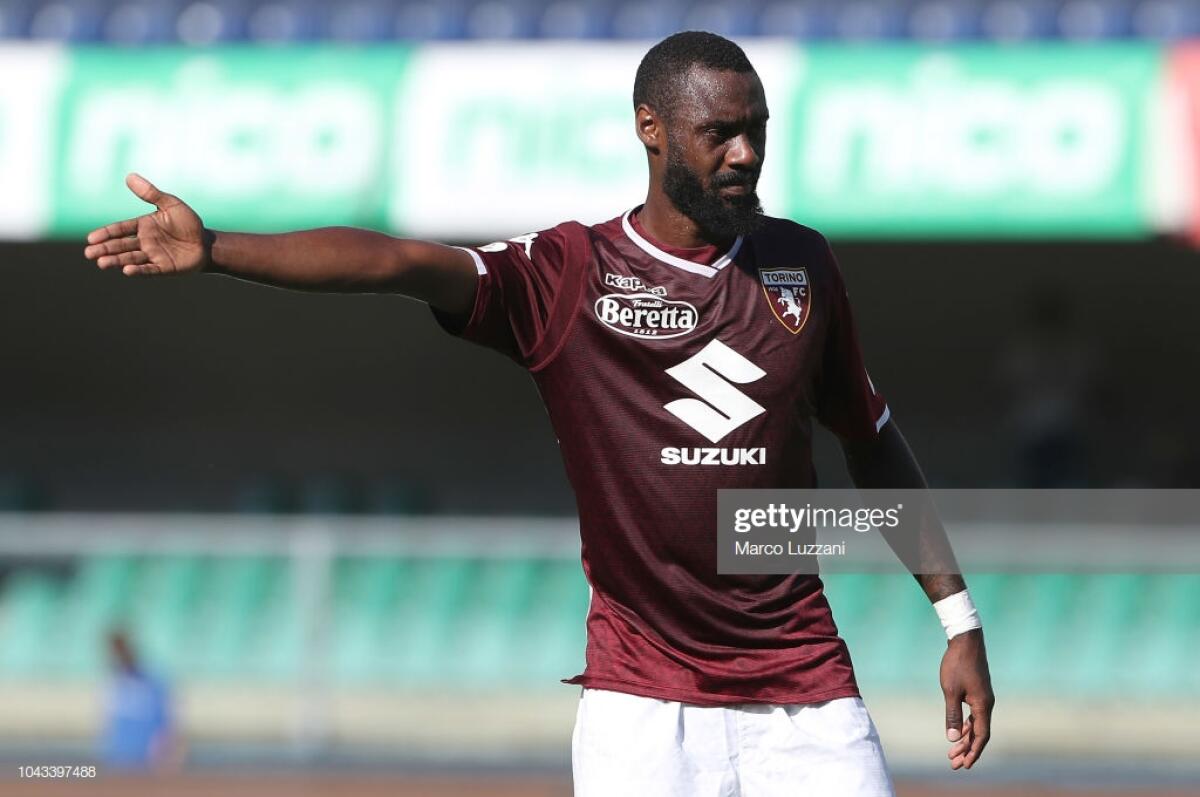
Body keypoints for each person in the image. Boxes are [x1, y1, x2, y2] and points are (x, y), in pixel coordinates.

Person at [83, 31, 993, 797]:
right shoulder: (568, 278)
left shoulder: (802, 266)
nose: (745, 153)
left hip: (805, 695)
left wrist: (958, 621)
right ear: (651, 130)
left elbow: (869, 438)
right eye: (719, 133)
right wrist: (219, 250)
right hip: (642, 710)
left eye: (756, 131)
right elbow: (401, 262)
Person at [99, 629, 183, 772]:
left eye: (123, 649)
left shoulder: (153, 680)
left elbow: (169, 721)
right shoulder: (111, 683)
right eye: (116, 651)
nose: (120, 656)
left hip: (148, 762)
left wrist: (168, 754)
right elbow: (108, 724)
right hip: (118, 760)